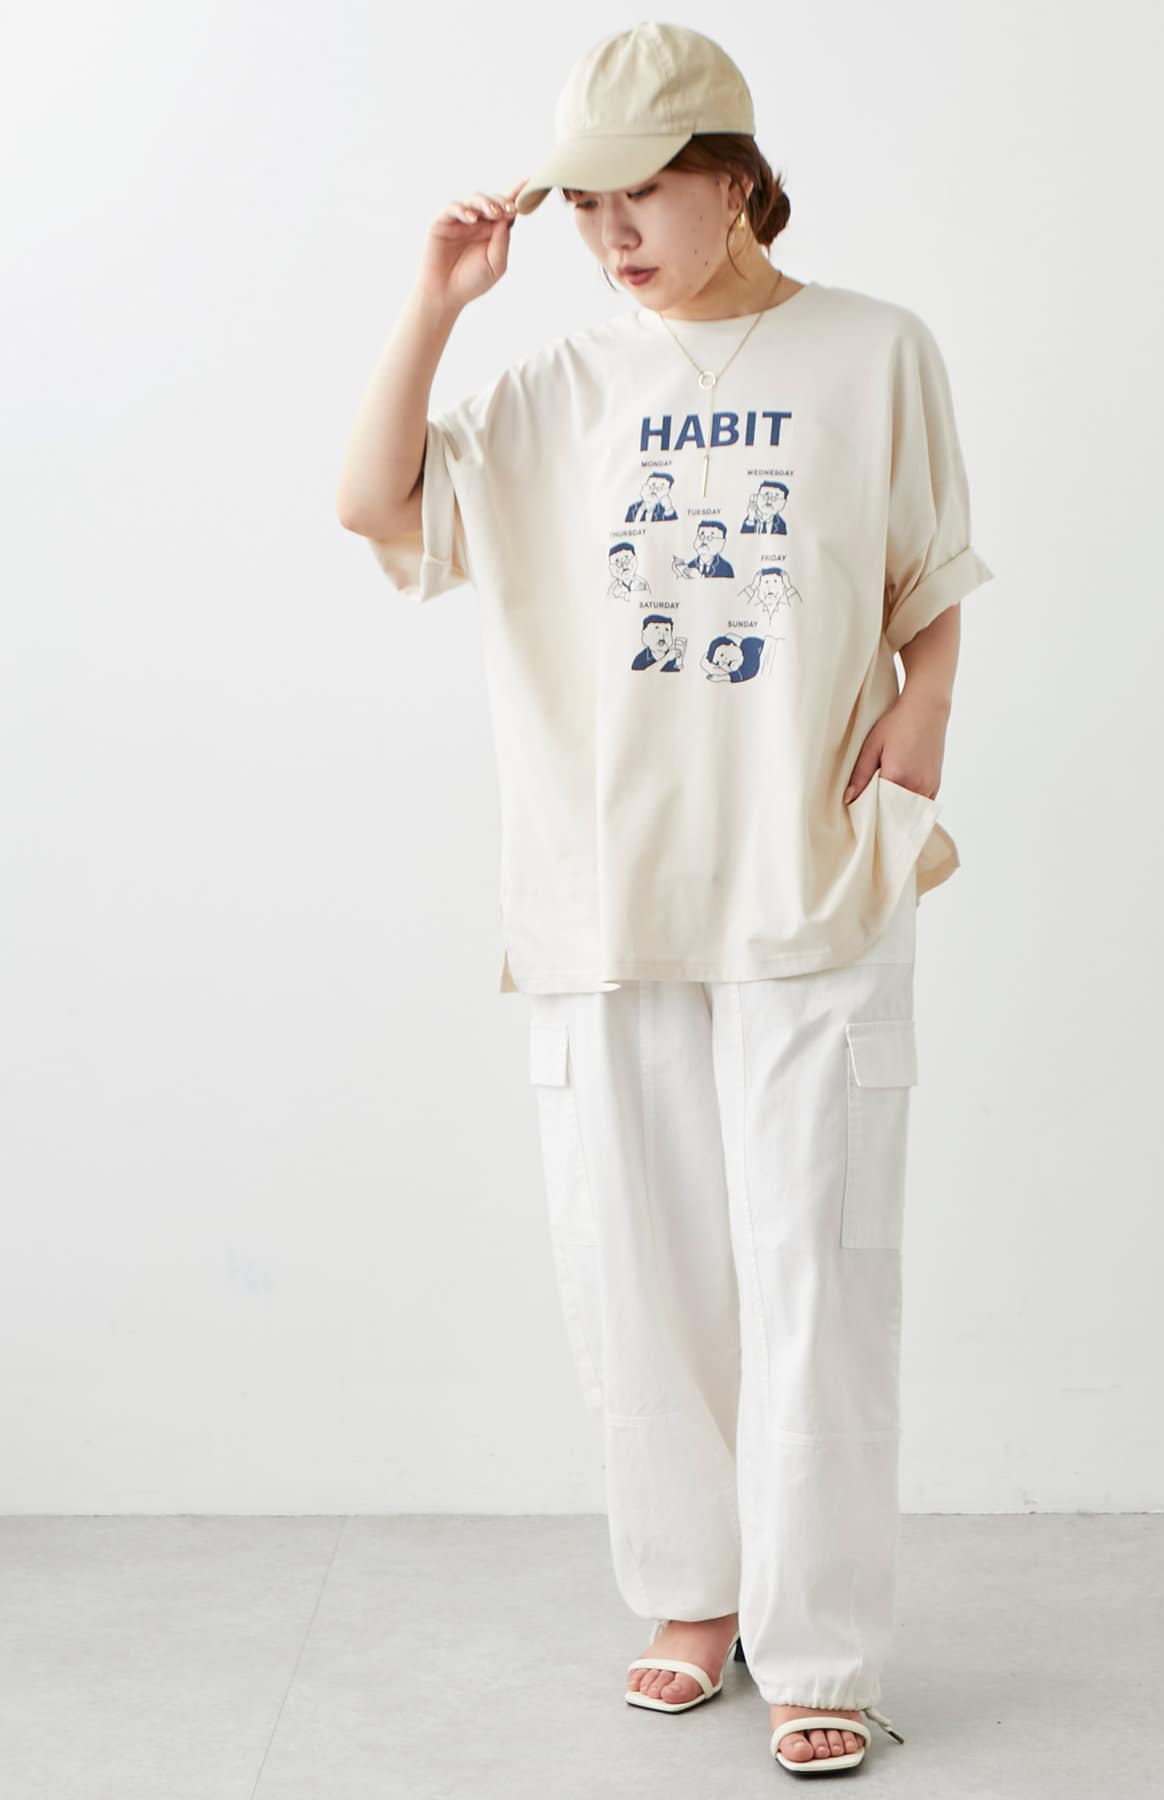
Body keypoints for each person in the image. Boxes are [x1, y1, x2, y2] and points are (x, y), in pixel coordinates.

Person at [335, 20, 993, 1778]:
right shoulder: (554, 390)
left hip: (813, 871)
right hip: (606, 888)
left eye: (644, 191)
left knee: (818, 1272)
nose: (611, 230)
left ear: (736, 178)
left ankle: (820, 1638)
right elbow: (371, 502)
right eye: (584, 203)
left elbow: (931, 571)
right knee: (636, 1271)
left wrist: (925, 716)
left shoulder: (875, 350)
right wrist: (437, 305)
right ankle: (691, 1600)